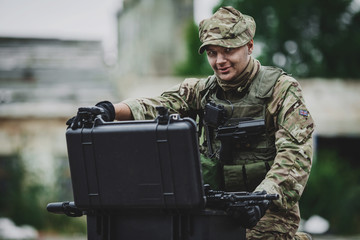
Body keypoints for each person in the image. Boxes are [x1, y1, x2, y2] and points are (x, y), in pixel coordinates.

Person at [68, 6, 314, 240]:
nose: (220, 61)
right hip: (214, 205)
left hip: (267, 209)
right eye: (212, 52)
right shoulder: (201, 90)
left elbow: (296, 154)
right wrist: (109, 110)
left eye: (228, 50)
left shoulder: (281, 90)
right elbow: (157, 105)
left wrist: (263, 197)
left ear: (249, 46)